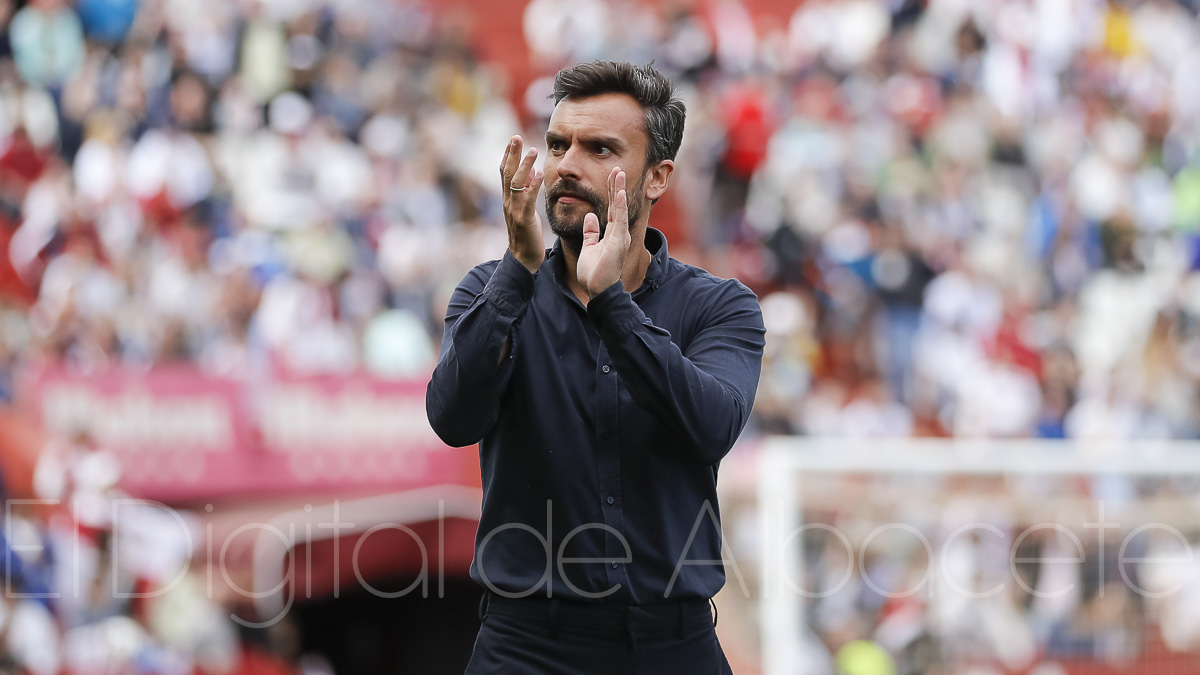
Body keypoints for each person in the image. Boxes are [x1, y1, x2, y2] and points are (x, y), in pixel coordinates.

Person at [426, 60, 765, 674]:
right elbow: (452, 417)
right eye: (558, 144)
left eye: (599, 147)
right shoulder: (489, 291)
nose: (567, 165)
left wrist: (611, 303)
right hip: (526, 647)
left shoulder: (721, 306)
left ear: (657, 177)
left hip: (673, 646)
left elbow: (713, 426)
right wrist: (516, 274)